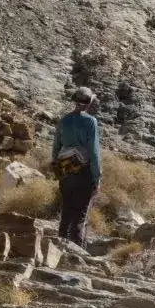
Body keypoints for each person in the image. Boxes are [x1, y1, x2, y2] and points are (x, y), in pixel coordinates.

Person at [51, 86, 102, 247]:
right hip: (84, 173)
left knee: (66, 213)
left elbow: (55, 148)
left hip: (65, 170)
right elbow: (93, 152)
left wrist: (58, 170)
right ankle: (76, 257)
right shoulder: (91, 122)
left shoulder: (64, 120)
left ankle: (58, 249)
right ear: (89, 103)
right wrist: (97, 177)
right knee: (80, 217)